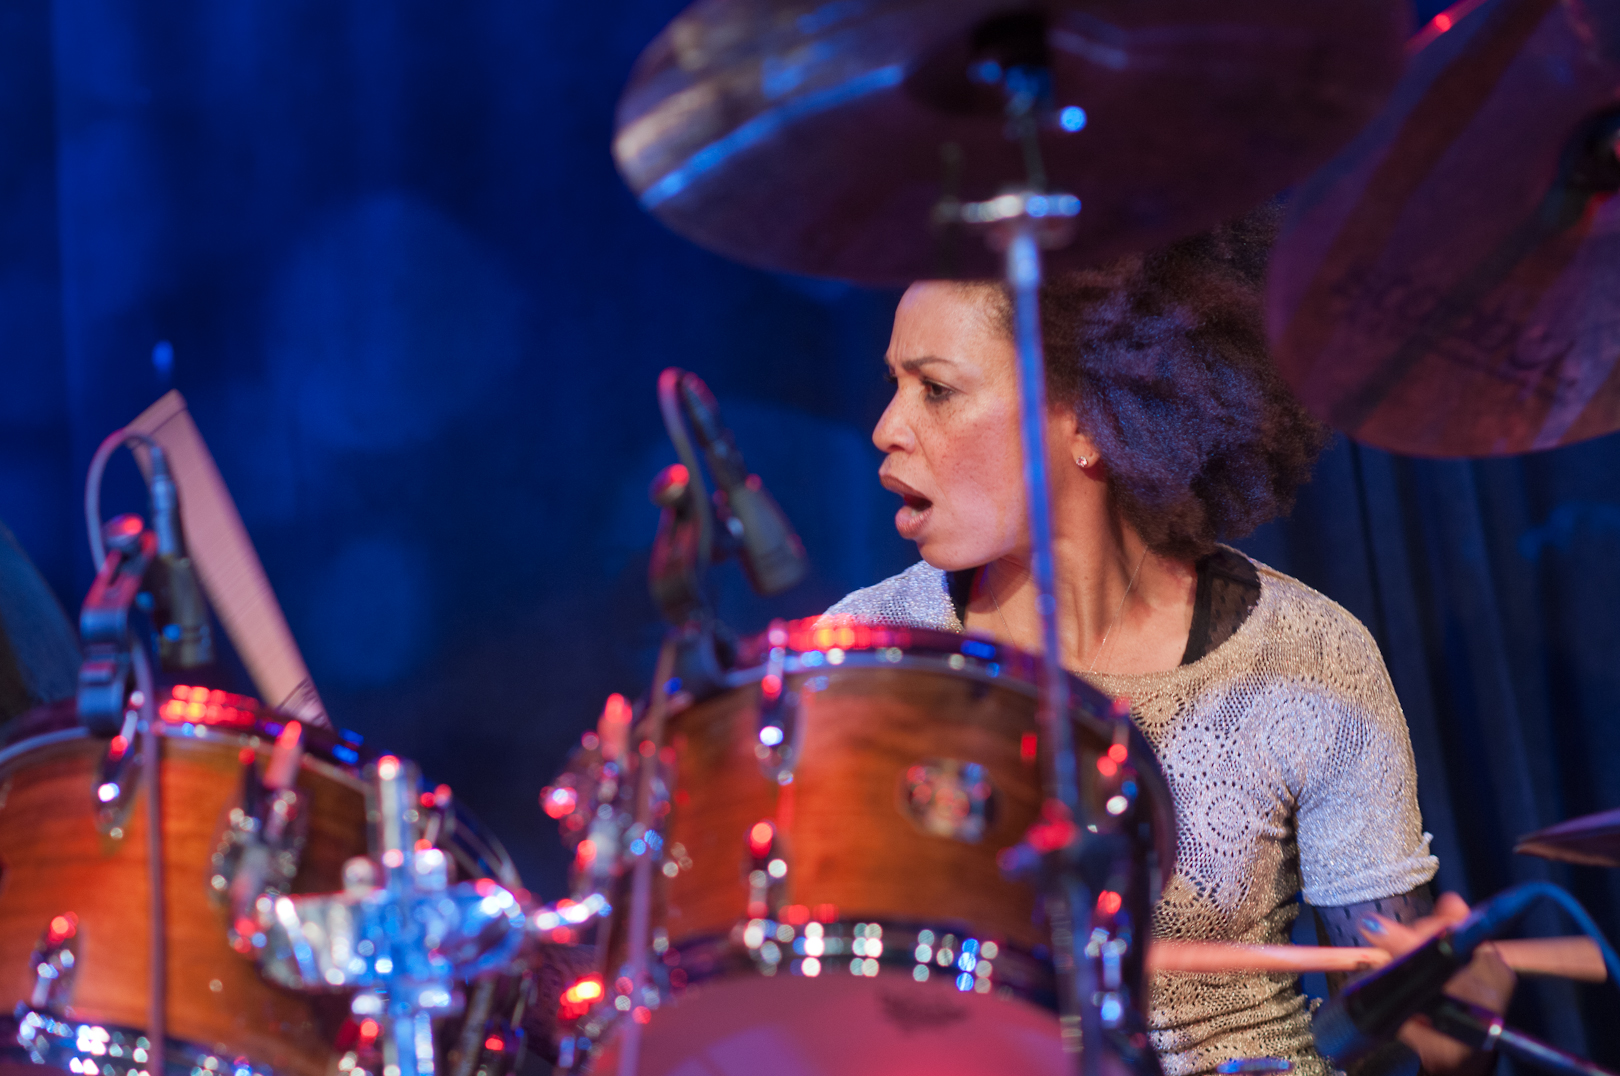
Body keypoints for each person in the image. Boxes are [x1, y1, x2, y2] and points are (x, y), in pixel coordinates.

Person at [827, 212, 1513, 1076]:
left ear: (1086, 422)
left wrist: (1455, 1052)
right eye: (894, 384)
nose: (888, 426)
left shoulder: (1311, 659)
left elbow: (1380, 1031)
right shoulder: (864, 660)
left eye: (935, 388)